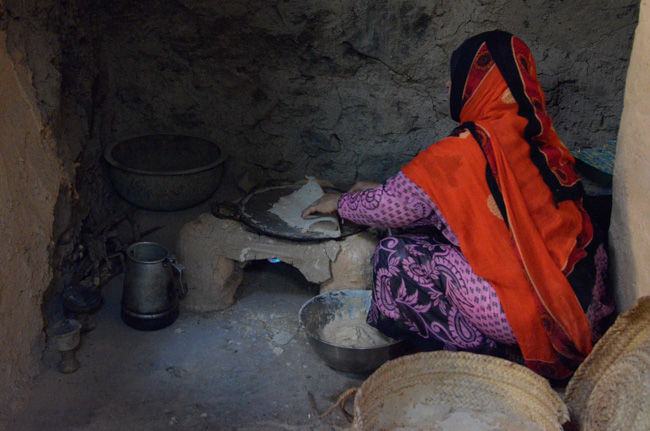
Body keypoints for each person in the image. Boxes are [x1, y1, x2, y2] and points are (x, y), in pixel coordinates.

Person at [302, 30, 614, 380]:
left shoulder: (464, 151)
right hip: (580, 306)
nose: (449, 90)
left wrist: (340, 203)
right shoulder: (538, 138)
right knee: (426, 227)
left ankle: (487, 357)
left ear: (477, 86)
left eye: (455, 80)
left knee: (396, 255)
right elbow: (459, 201)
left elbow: (389, 206)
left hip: (534, 319)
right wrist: (385, 190)